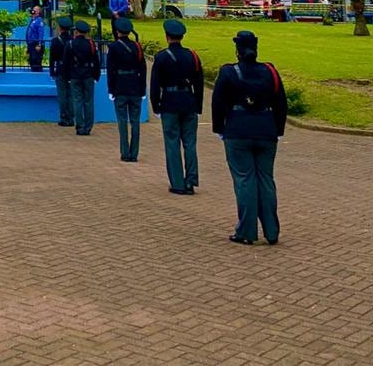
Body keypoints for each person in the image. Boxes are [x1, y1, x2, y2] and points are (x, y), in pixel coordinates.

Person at [211, 30, 288, 245]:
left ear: (237, 50)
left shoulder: (228, 72)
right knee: (266, 180)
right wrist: (278, 130)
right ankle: (271, 231)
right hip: (266, 129)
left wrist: (219, 128)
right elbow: (281, 103)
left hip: (237, 129)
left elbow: (218, 102)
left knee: (244, 180)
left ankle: (246, 231)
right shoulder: (269, 71)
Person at [150, 18, 203, 195]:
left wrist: (156, 105)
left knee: (172, 143)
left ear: (167, 36)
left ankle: (177, 182)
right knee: (190, 143)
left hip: (170, 102)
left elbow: (155, 84)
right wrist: (198, 105)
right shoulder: (193, 56)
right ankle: (191, 180)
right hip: (189, 101)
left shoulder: (162, 57)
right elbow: (200, 83)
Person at [106, 16, 147, 161]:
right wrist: (143, 89)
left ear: (118, 32)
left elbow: (110, 70)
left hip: (120, 86)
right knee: (135, 122)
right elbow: (143, 69)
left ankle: (125, 152)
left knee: (122, 122)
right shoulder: (137, 47)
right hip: (135, 86)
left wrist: (111, 89)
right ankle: (134, 153)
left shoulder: (114, 47)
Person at [63, 19, 100, 135]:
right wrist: (96, 75)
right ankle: (88, 127)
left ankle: (80, 126)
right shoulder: (91, 44)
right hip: (88, 74)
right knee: (89, 101)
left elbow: (66, 62)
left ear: (77, 31)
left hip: (74, 75)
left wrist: (67, 76)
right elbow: (96, 61)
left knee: (77, 101)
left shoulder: (70, 44)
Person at [48, 15, 74, 127]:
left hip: (60, 68)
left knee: (62, 95)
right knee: (71, 95)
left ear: (60, 28)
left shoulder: (55, 41)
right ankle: (71, 117)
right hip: (72, 69)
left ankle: (64, 117)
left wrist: (52, 71)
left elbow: (52, 58)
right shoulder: (73, 41)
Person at [25, 7, 45, 72]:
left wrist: (39, 44)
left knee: (36, 60)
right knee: (32, 60)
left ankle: (38, 74)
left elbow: (41, 33)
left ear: (39, 12)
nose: (33, 11)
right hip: (31, 44)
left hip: (35, 43)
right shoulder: (33, 20)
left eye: (36, 10)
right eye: (33, 9)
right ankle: (34, 71)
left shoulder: (39, 20)